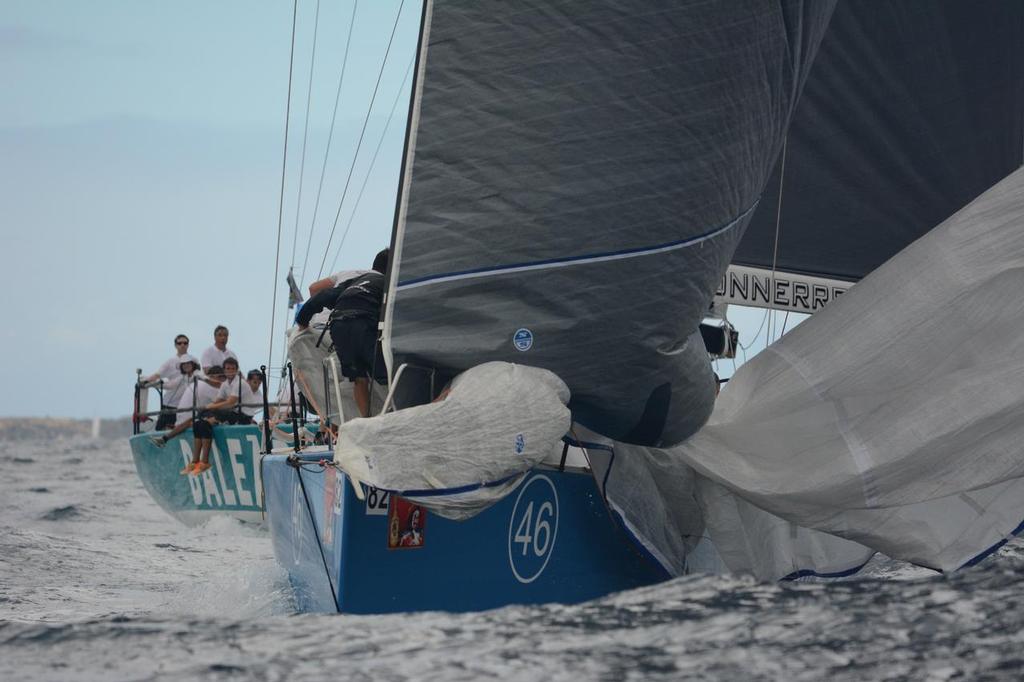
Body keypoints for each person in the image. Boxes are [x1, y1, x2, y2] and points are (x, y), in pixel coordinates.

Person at [327, 248, 389, 417]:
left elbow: (318, 292)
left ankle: (366, 420)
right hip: (363, 326)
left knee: (359, 378)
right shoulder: (386, 283)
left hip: (339, 328)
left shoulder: (355, 280)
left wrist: (303, 320)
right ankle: (399, 412)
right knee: (387, 373)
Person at [148, 355, 200, 430]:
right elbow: (170, 385)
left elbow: (204, 378)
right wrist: (153, 384)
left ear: (193, 364)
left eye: (188, 363)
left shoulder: (197, 374)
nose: (186, 365)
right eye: (184, 364)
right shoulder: (184, 377)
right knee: (161, 426)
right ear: (181, 366)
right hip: (188, 407)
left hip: (197, 406)